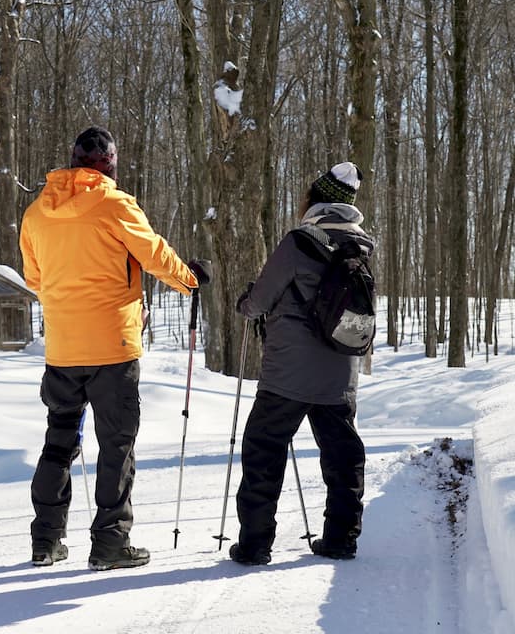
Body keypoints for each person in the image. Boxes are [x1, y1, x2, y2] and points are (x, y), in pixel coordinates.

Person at [19, 125, 211, 571]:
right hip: (113, 347)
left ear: (72, 160)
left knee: (58, 443)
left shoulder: (36, 213)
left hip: (62, 349)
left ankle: (45, 541)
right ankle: (109, 543)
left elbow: (34, 279)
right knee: (116, 445)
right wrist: (189, 279)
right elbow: (155, 254)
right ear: (110, 163)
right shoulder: (114, 204)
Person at [231, 162, 374, 565]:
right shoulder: (361, 248)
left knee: (264, 449)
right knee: (343, 455)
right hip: (340, 373)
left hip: (287, 375)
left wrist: (245, 303)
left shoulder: (299, 242)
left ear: (316, 201)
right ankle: (341, 539)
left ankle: (256, 545)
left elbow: (260, 299)